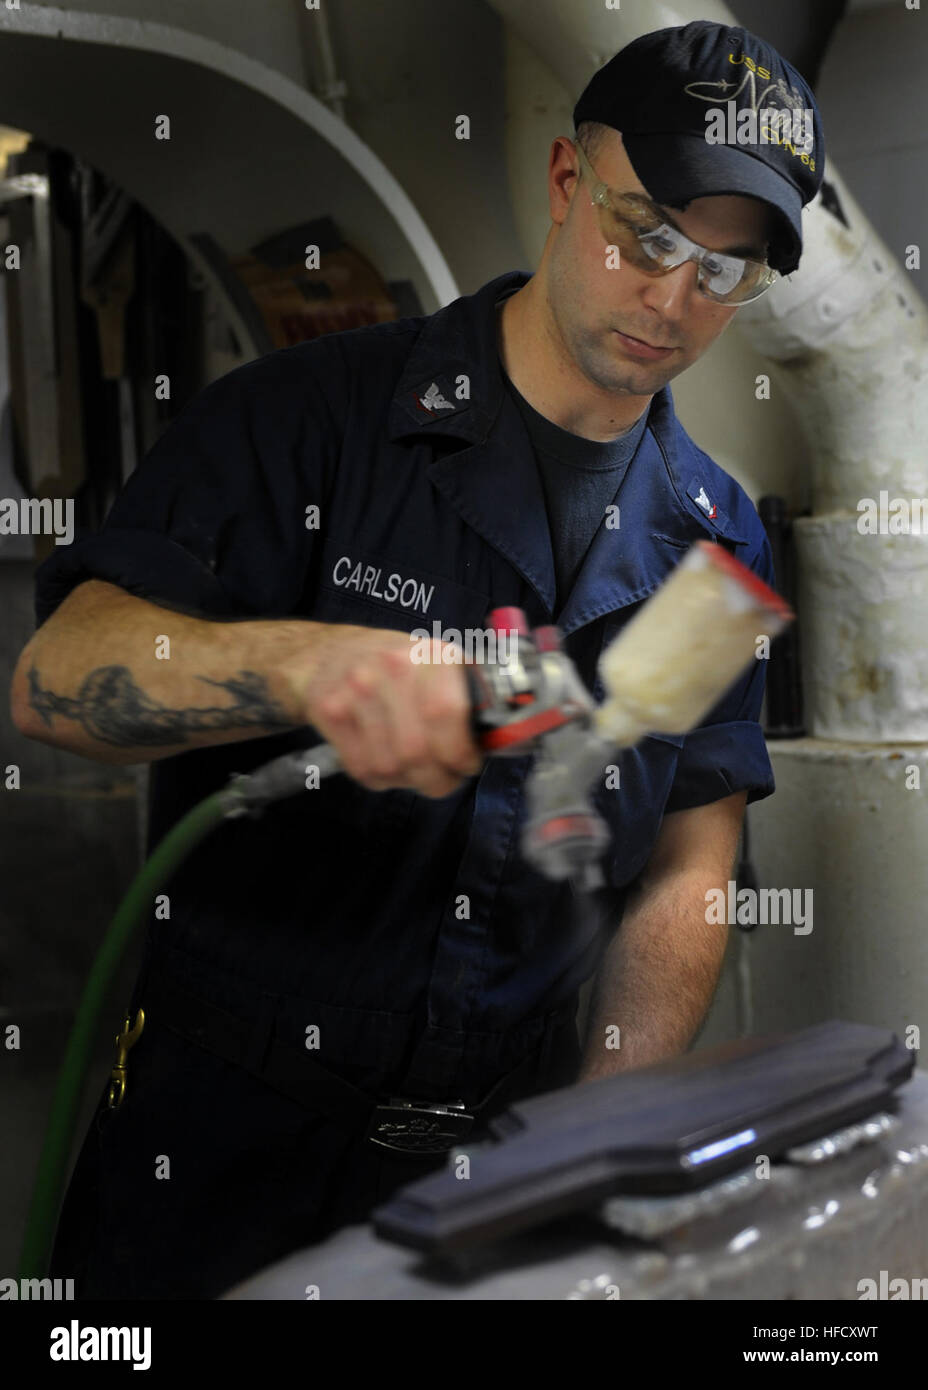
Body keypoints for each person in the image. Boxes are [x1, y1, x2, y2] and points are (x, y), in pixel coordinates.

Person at [11, 20, 824, 1298]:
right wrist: (307, 668)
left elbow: (688, 855)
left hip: (506, 1158)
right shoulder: (308, 421)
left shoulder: (715, 546)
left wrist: (603, 1136)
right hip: (220, 1148)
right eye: (646, 232)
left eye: (726, 272)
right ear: (566, 183)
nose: (673, 299)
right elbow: (60, 672)